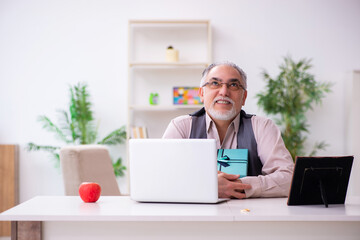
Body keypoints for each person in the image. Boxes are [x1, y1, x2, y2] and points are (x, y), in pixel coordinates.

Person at [163, 61, 294, 199]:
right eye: (215, 83)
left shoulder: (262, 127)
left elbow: (289, 178)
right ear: (201, 93)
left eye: (233, 85)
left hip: (251, 216)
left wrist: (238, 185)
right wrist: (208, 184)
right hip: (197, 215)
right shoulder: (181, 127)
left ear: (244, 97)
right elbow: (162, 176)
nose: (224, 92)